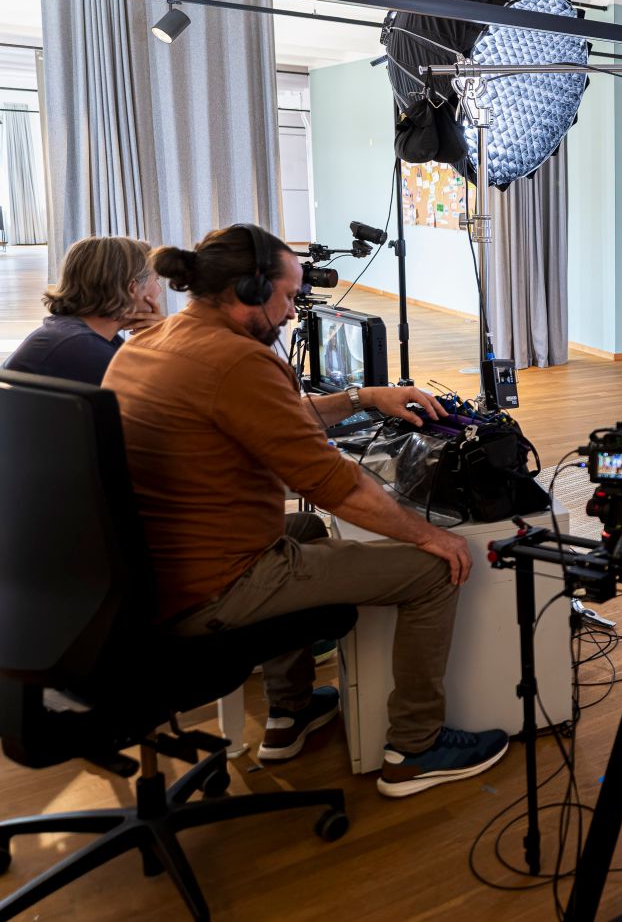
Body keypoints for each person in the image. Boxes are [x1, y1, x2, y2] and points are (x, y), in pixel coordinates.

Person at [103, 223, 508, 798]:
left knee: (307, 526)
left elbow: (273, 417)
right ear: (249, 289)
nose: (294, 312)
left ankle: (290, 711)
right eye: (289, 296)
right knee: (436, 569)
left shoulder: (153, 341)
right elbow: (333, 485)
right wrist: (429, 536)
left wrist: (366, 397)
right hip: (217, 588)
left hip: (151, 577)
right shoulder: (238, 361)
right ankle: (415, 748)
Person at [3, 235, 162, 384]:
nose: (159, 290)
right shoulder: (82, 347)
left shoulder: (73, 334)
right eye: (156, 280)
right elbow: (157, 395)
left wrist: (153, 339)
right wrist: (163, 341)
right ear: (132, 287)